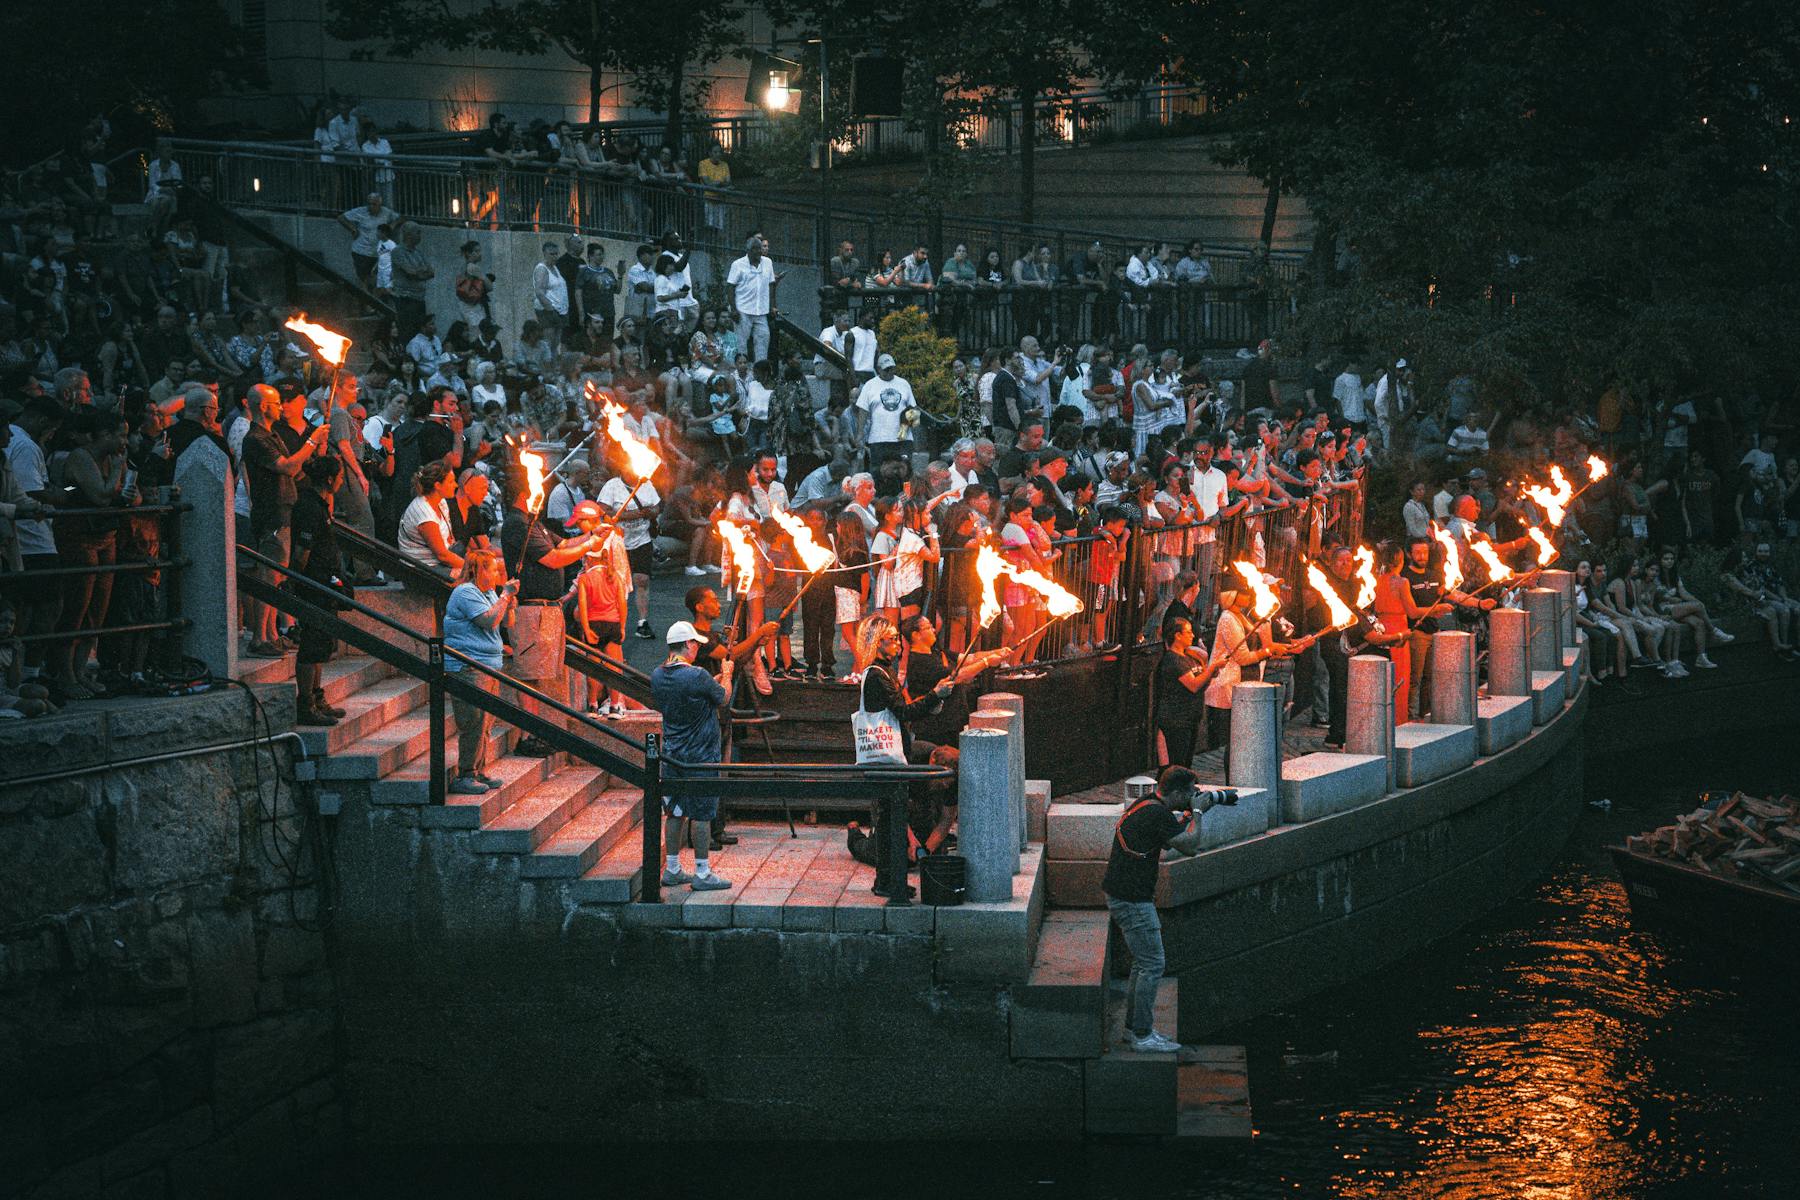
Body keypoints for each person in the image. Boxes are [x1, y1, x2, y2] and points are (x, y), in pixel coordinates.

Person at [1102, 767, 1236, 1053]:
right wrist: (1197, 813)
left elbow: (1167, 839)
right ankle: (1142, 1035)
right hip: (1133, 900)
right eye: (1190, 793)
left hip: (1123, 894)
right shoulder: (1157, 813)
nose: (1193, 797)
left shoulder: (1148, 805)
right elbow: (1189, 846)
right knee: (1153, 963)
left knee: (1142, 962)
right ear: (1176, 793)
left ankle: (1133, 1029)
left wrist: (1192, 812)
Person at [852, 615, 957, 900]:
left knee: (890, 819)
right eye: (892, 639)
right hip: (886, 757)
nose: (898, 643)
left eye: (898, 638)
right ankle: (888, 881)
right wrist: (935, 695)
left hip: (893, 753)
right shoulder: (876, 674)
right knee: (889, 819)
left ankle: (887, 879)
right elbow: (904, 711)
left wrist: (934, 702)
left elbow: (906, 709)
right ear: (878, 642)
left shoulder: (884, 670)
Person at [651, 621, 735, 891]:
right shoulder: (697, 675)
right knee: (701, 814)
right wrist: (727, 674)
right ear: (687, 644)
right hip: (701, 756)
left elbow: (697, 693)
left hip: (672, 755)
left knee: (674, 812)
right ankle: (702, 872)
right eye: (696, 643)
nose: (698, 648)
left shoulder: (657, 675)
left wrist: (713, 683)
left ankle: (673, 869)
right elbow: (722, 698)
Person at [442, 548, 516, 793]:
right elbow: (487, 620)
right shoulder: (465, 592)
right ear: (479, 569)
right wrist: (505, 596)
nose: (497, 574)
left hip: (489, 665)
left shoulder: (488, 593)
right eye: (493, 569)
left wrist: (509, 603)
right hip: (469, 666)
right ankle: (465, 774)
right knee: (473, 721)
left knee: (485, 722)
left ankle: (478, 769)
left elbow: (507, 622)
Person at [288, 455, 350, 726]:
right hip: (313, 584)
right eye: (339, 477)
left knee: (322, 644)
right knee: (311, 645)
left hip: (327, 583)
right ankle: (305, 704)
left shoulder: (321, 505)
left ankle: (317, 696)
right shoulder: (309, 507)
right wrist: (298, 580)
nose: (340, 481)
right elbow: (302, 552)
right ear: (329, 478)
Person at [1155, 617, 1217, 769]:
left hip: (1191, 719)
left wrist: (1210, 672)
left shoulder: (1189, 656)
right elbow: (1194, 685)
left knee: (1186, 763)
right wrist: (1211, 668)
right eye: (1188, 632)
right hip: (1177, 721)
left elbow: (1201, 682)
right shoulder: (1172, 660)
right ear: (1177, 635)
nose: (1193, 635)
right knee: (1177, 764)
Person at [854, 354, 918, 472]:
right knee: (879, 473)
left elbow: (914, 409)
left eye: (891, 368)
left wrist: (908, 424)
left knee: (905, 472)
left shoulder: (904, 383)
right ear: (878, 369)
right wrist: (860, 433)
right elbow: (863, 410)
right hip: (878, 439)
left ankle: (905, 491)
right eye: (886, 369)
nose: (889, 372)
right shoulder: (870, 385)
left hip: (903, 440)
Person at [725, 236, 781, 364]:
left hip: (761, 311)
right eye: (755, 249)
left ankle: (760, 372)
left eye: (759, 249)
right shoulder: (738, 264)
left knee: (763, 339)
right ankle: (741, 372)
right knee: (741, 343)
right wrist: (733, 309)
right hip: (742, 310)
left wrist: (773, 306)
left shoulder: (768, 262)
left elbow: (771, 285)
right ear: (748, 250)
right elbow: (730, 287)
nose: (758, 252)